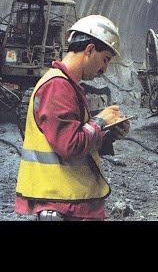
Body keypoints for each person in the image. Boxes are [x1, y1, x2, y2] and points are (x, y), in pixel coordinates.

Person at [15, 15, 129, 221]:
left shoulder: (67, 86)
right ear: (90, 50)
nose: (104, 69)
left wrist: (109, 134)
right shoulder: (57, 87)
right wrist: (100, 121)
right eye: (105, 59)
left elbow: (78, 141)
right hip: (62, 205)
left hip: (71, 203)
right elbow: (69, 145)